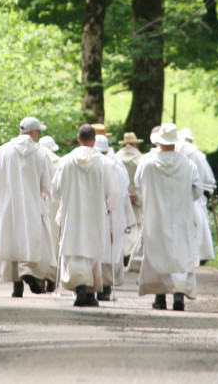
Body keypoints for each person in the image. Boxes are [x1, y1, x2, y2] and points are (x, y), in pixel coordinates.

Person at [0, 116, 54, 298]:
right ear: (33, 133)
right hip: (32, 205)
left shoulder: (3, 151)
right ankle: (29, 271)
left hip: (8, 205)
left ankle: (17, 286)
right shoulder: (41, 154)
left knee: (12, 240)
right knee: (33, 240)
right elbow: (47, 185)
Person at [135, 122, 203, 311]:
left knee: (158, 253)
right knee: (179, 254)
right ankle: (179, 294)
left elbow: (138, 184)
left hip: (155, 217)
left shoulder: (148, 164)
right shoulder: (188, 165)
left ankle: (160, 296)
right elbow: (198, 191)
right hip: (181, 217)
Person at [52, 123, 119, 307]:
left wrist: (65, 201)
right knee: (92, 252)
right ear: (94, 140)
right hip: (95, 213)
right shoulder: (105, 163)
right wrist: (109, 207)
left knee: (73, 251)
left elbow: (55, 191)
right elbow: (113, 193)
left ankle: (82, 288)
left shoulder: (65, 161)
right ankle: (89, 290)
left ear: (78, 138)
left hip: (71, 212)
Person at [94, 135, 135, 300]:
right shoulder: (118, 168)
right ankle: (105, 287)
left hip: (108, 215)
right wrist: (128, 218)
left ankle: (102, 286)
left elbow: (123, 194)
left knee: (104, 249)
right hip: (113, 215)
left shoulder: (104, 167)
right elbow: (124, 195)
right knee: (110, 250)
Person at [178, 127, 216, 265]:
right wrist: (211, 188)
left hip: (178, 196)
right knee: (199, 222)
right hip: (196, 194)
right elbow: (207, 177)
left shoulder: (176, 154)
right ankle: (201, 254)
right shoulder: (198, 155)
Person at [115, 131, 145, 264]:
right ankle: (132, 254)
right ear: (136, 144)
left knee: (122, 225)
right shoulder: (142, 158)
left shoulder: (116, 157)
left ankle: (121, 253)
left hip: (121, 196)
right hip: (137, 196)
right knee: (136, 226)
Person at [39, 134, 63, 293]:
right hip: (54, 203)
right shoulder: (60, 162)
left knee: (39, 239)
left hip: (38, 202)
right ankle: (52, 277)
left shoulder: (34, 159)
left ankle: (39, 275)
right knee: (54, 239)